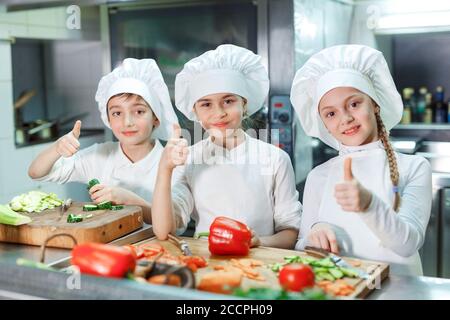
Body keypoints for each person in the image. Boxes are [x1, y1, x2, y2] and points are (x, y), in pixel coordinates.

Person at [290, 44, 432, 275]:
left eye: (354, 104)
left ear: (375, 104)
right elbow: (302, 246)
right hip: (340, 290)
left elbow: (407, 244)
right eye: (331, 113)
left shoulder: (414, 167)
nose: (345, 118)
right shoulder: (319, 176)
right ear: (323, 123)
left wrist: (368, 204)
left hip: (399, 291)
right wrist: (315, 232)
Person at [151, 44, 302, 249]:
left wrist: (257, 243)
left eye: (228, 101)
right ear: (194, 110)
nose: (219, 113)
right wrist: (165, 169)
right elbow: (163, 231)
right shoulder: (190, 159)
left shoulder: (275, 159)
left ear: (244, 104)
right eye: (206, 104)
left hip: (259, 264)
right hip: (208, 265)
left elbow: (290, 233)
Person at [28, 58, 178, 223]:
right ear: (108, 119)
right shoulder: (99, 155)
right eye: (117, 113)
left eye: (139, 111)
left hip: (159, 247)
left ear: (156, 118)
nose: (127, 122)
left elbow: (175, 222)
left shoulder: (174, 162)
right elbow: (37, 173)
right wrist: (57, 148)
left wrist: (129, 200)